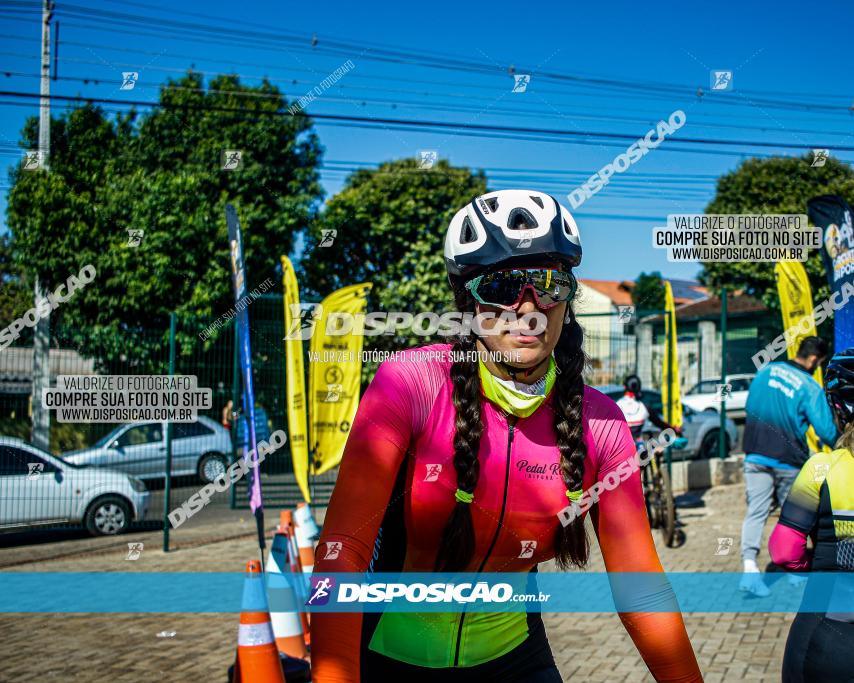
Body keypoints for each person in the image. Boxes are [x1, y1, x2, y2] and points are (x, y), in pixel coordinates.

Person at [311, 190, 702, 682]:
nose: (527, 306)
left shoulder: (600, 424)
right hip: (391, 659)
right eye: (499, 284)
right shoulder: (408, 384)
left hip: (517, 660)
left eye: (548, 283)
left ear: (569, 297)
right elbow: (339, 555)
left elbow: (640, 589)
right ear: (466, 303)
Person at [769, 349, 854, 682]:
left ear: (837, 408)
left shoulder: (821, 469)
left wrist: (818, 563)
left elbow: (783, 551)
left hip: (827, 633)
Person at [739, 336, 838, 596]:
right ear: (815, 360)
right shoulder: (809, 386)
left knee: (756, 512)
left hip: (755, 454)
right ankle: (796, 572)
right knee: (794, 518)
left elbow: (750, 408)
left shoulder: (765, 372)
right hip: (788, 459)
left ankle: (749, 568)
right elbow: (826, 430)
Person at [616, 374, 682, 441]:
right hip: (639, 447)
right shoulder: (644, 407)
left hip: (620, 446)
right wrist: (674, 430)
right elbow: (659, 423)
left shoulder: (617, 406)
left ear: (624, 387)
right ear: (639, 388)